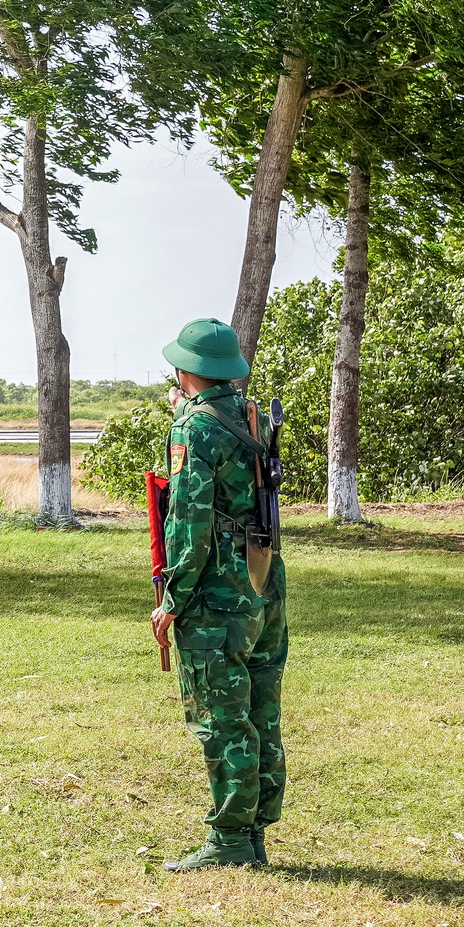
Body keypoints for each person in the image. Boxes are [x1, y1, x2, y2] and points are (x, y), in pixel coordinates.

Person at [149, 318, 290, 872]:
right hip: (263, 579)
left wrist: (173, 599)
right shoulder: (249, 414)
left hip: (217, 591)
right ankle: (252, 831)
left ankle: (231, 840)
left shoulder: (195, 427)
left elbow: (189, 522)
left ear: (188, 371)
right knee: (261, 705)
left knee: (222, 713)